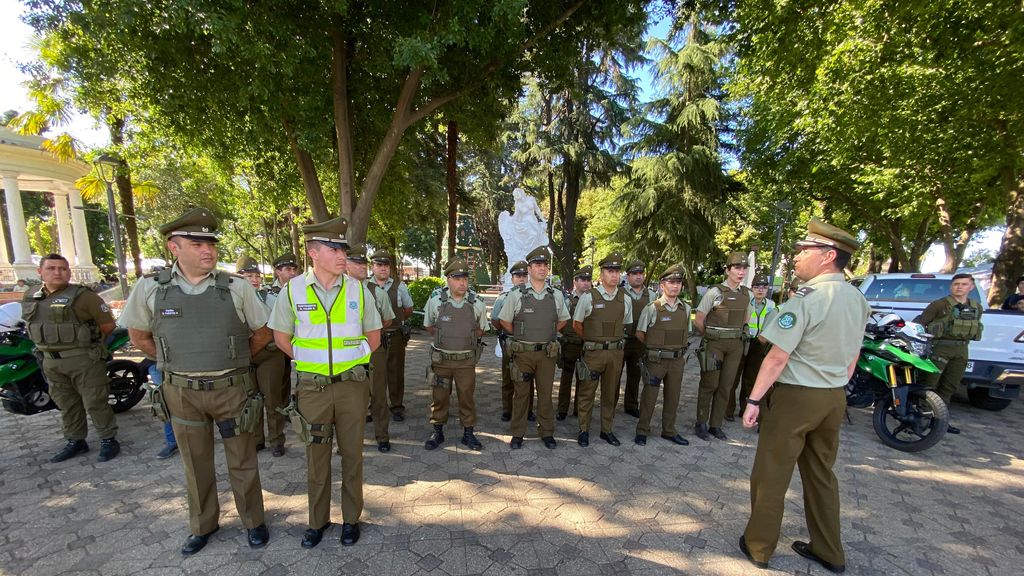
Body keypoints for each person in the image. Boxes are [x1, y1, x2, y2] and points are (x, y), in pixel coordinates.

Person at [121, 208, 271, 555]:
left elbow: (262, 332)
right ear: (175, 247)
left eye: (211, 243)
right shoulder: (150, 289)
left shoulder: (235, 287)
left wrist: (235, 359)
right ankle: (202, 525)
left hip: (232, 390)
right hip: (182, 393)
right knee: (194, 462)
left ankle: (254, 522)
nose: (208, 250)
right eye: (197, 243)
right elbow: (138, 334)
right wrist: (171, 363)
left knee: (243, 460)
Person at [738, 218, 869, 574]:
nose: (796, 258)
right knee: (821, 474)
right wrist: (834, 380)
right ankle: (830, 551)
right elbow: (854, 353)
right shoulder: (857, 298)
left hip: (796, 398)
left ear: (828, 256)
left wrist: (752, 401)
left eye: (804, 251)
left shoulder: (807, 299)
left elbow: (777, 356)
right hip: (833, 397)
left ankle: (759, 546)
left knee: (771, 472)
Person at [269, 217, 382, 548]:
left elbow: (373, 336)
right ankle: (317, 522)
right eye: (334, 249)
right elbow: (280, 336)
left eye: (343, 249)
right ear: (313, 252)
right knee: (316, 456)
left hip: (351, 387)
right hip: (312, 388)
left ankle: (351, 519)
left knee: (352, 455)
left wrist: (352, 358)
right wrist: (310, 361)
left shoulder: (358, 291)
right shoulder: (293, 290)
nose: (341, 255)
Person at [23, 254, 119, 463]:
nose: (57, 272)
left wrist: (94, 347)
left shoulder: (84, 296)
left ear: (69, 271)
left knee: (95, 401)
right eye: (51, 268)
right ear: (40, 272)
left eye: (62, 268)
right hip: (50, 361)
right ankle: (76, 441)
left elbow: (108, 325)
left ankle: (108, 439)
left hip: (83, 359)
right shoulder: (31, 295)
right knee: (66, 403)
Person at [497, 246, 570, 449]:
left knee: (545, 394)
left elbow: (563, 320)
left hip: (547, 353)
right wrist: (522, 335)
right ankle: (518, 433)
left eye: (545, 265)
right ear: (529, 269)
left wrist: (548, 332)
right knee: (521, 394)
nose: (542, 268)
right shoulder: (516, 295)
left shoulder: (555, 295)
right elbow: (504, 321)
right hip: (523, 354)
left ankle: (546, 432)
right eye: (537, 264)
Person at [422, 258, 488, 451]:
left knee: (466, 396)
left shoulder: (477, 303)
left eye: (465, 278)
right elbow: (428, 326)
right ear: (448, 279)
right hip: (441, 361)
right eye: (457, 278)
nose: (462, 283)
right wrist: (447, 336)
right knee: (439, 396)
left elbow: (482, 329)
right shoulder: (435, 301)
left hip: (466, 361)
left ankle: (468, 433)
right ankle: (437, 432)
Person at [572, 252, 631, 447]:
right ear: (602, 273)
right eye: (610, 271)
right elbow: (577, 324)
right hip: (593, 353)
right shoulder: (589, 297)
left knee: (610, 393)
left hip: (615, 353)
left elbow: (625, 324)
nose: (614, 275)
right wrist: (592, 341)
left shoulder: (625, 298)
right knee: (587, 392)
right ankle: (583, 430)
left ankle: (607, 430)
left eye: (617, 271)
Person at [914, 273, 984, 435]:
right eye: (956, 284)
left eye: (964, 284)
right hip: (940, 348)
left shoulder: (976, 307)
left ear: (971, 287)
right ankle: (921, 418)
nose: (959, 287)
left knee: (950, 386)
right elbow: (920, 324)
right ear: (951, 286)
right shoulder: (939, 305)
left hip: (961, 349)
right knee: (929, 384)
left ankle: (940, 421)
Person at [693, 251, 751, 441]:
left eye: (744, 268)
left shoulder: (746, 294)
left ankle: (715, 425)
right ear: (727, 270)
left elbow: (745, 320)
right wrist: (710, 337)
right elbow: (699, 319)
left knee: (726, 386)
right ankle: (701, 422)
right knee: (710, 384)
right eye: (737, 268)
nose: (741, 272)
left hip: (735, 345)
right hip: (714, 344)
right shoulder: (715, 292)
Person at [236, 255, 290, 456]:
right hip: (246, 355)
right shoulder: (233, 298)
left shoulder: (271, 296)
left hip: (269, 353)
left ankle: (277, 440)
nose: (254, 280)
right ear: (239, 277)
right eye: (249, 276)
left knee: (272, 399)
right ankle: (257, 439)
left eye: (257, 276)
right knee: (251, 400)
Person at [633, 264, 691, 447]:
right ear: (662, 285)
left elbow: (687, 333)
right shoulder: (652, 308)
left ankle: (669, 430)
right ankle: (642, 430)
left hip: (676, 360)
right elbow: (640, 333)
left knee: (673, 397)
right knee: (649, 396)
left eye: (678, 283)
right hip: (656, 360)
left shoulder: (686, 309)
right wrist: (654, 347)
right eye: (671, 282)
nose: (675, 286)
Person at [346, 244, 396, 452]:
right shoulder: (338, 291)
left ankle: (382, 435)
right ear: (347, 264)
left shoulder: (377, 292)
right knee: (349, 397)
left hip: (375, 349)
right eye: (356, 263)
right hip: (347, 352)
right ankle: (348, 440)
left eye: (363, 263)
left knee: (378, 394)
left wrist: (370, 333)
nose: (361, 267)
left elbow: (388, 319)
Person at [370, 250, 414, 421]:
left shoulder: (400, 286)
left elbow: (408, 309)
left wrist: (396, 320)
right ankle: (373, 407)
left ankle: (396, 406)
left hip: (395, 335)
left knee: (395, 372)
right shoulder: (364, 286)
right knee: (373, 373)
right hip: (372, 337)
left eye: (386, 265)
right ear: (372, 267)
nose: (383, 269)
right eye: (379, 265)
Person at [728, 274, 776, 420]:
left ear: (767, 289)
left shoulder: (771, 305)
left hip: (759, 345)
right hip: (743, 341)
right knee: (733, 377)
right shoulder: (745, 302)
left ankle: (745, 409)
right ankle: (728, 410)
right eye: (757, 287)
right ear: (752, 288)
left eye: (764, 287)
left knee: (751, 379)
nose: (760, 290)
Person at [491, 260, 530, 422]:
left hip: (528, 344)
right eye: (517, 276)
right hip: (510, 344)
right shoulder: (503, 299)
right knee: (508, 377)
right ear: (512, 278)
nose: (521, 278)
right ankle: (507, 409)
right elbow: (495, 320)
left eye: (524, 275)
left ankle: (527, 410)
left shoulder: (533, 297)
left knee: (528, 378)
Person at [621, 260, 657, 419]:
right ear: (628, 276)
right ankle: (610, 405)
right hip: (622, 340)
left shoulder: (652, 295)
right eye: (634, 274)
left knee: (635, 375)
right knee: (614, 376)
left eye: (640, 274)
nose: (638, 277)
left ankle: (631, 405)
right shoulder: (619, 293)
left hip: (640, 342)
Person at [557, 266, 592, 420]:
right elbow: (558, 319)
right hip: (569, 344)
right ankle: (562, 409)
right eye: (582, 280)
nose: (586, 283)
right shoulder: (566, 300)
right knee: (566, 378)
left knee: (583, 379)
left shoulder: (593, 299)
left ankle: (579, 408)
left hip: (586, 345)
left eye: (588, 280)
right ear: (575, 281)